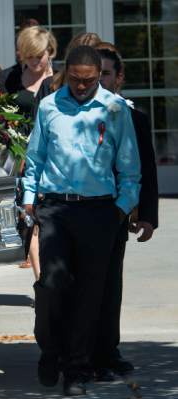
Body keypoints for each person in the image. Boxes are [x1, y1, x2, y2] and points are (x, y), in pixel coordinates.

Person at [23, 45, 141, 396]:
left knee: (89, 295)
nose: (81, 86)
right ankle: (51, 350)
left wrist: (120, 209)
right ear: (66, 73)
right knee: (52, 285)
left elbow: (129, 168)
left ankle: (77, 369)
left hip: (99, 211)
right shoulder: (49, 107)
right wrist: (29, 199)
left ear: (98, 76)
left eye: (88, 81)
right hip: (56, 209)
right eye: (75, 79)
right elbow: (35, 158)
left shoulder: (115, 109)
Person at [91, 43, 158, 381]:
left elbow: (147, 167)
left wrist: (147, 215)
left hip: (116, 212)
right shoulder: (76, 116)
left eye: (106, 74)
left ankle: (108, 350)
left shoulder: (135, 117)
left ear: (119, 78)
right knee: (87, 285)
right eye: (96, 73)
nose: (100, 80)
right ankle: (85, 354)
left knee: (110, 283)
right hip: (80, 210)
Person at [0, 26, 57, 279]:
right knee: (30, 216)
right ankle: (41, 279)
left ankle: (47, 276)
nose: (34, 62)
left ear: (50, 51)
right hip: (18, 156)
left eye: (39, 56)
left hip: (52, 155)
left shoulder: (60, 80)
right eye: (29, 56)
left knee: (48, 217)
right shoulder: (9, 78)